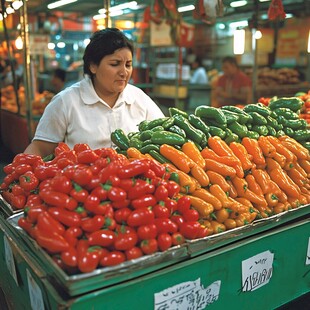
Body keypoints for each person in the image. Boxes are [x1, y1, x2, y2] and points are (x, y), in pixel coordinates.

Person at [24, 28, 164, 157]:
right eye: (115, 64)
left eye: (128, 65)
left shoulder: (139, 99)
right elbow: (41, 148)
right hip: (81, 182)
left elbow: (164, 137)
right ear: (93, 66)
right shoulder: (65, 102)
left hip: (135, 182)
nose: (124, 72)